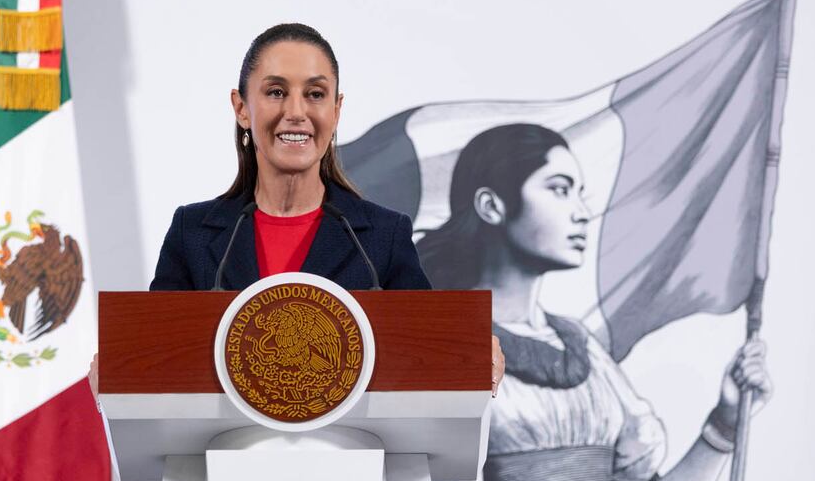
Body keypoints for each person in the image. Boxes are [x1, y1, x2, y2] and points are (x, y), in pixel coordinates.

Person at [88, 23, 505, 397]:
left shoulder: (383, 236)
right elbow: (157, 361)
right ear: (241, 108)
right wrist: (119, 371)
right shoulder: (194, 232)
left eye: (315, 94)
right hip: (225, 473)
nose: (296, 112)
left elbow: (429, 360)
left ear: (336, 110)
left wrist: (470, 355)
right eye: (275, 92)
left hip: (349, 475)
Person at [421, 123, 772, 481]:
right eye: (559, 188)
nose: (582, 212)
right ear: (491, 205)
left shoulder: (581, 347)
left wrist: (725, 422)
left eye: (580, 192)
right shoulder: (442, 347)